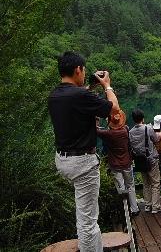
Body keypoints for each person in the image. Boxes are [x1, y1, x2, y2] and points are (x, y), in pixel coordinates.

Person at [48, 51, 119, 251]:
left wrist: (91, 87)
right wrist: (107, 86)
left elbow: (78, 98)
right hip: (82, 164)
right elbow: (114, 108)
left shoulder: (55, 95)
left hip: (63, 160)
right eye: (84, 70)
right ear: (78, 70)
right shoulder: (80, 95)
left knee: (87, 218)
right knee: (87, 223)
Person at [96, 110, 139, 216]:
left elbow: (95, 130)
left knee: (121, 188)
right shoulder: (125, 130)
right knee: (130, 186)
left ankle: (125, 211)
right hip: (127, 163)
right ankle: (135, 208)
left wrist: (96, 119)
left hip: (115, 165)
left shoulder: (108, 134)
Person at [129, 109, 161, 214]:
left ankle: (147, 205)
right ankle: (155, 206)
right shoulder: (148, 128)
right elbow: (156, 139)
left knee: (145, 183)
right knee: (155, 183)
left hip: (140, 161)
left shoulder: (130, 132)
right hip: (151, 159)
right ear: (142, 118)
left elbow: (131, 146)